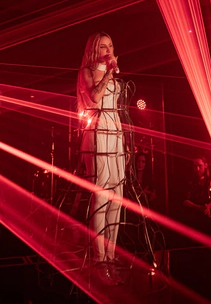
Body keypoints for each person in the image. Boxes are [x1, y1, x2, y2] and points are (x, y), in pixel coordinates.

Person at [76, 31, 125, 283]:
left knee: (117, 196)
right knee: (102, 195)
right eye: (104, 46)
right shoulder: (87, 71)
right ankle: (99, 258)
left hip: (115, 131)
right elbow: (95, 97)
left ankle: (111, 255)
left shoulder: (111, 73)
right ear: (95, 49)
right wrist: (107, 73)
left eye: (111, 46)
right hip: (97, 131)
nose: (108, 50)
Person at [182, 156, 211, 231]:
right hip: (193, 217)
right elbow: (185, 200)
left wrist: (208, 206)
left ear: (205, 165)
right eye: (195, 166)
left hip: (209, 217)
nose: (197, 169)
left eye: (200, 166)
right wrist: (199, 208)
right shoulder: (189, 180)